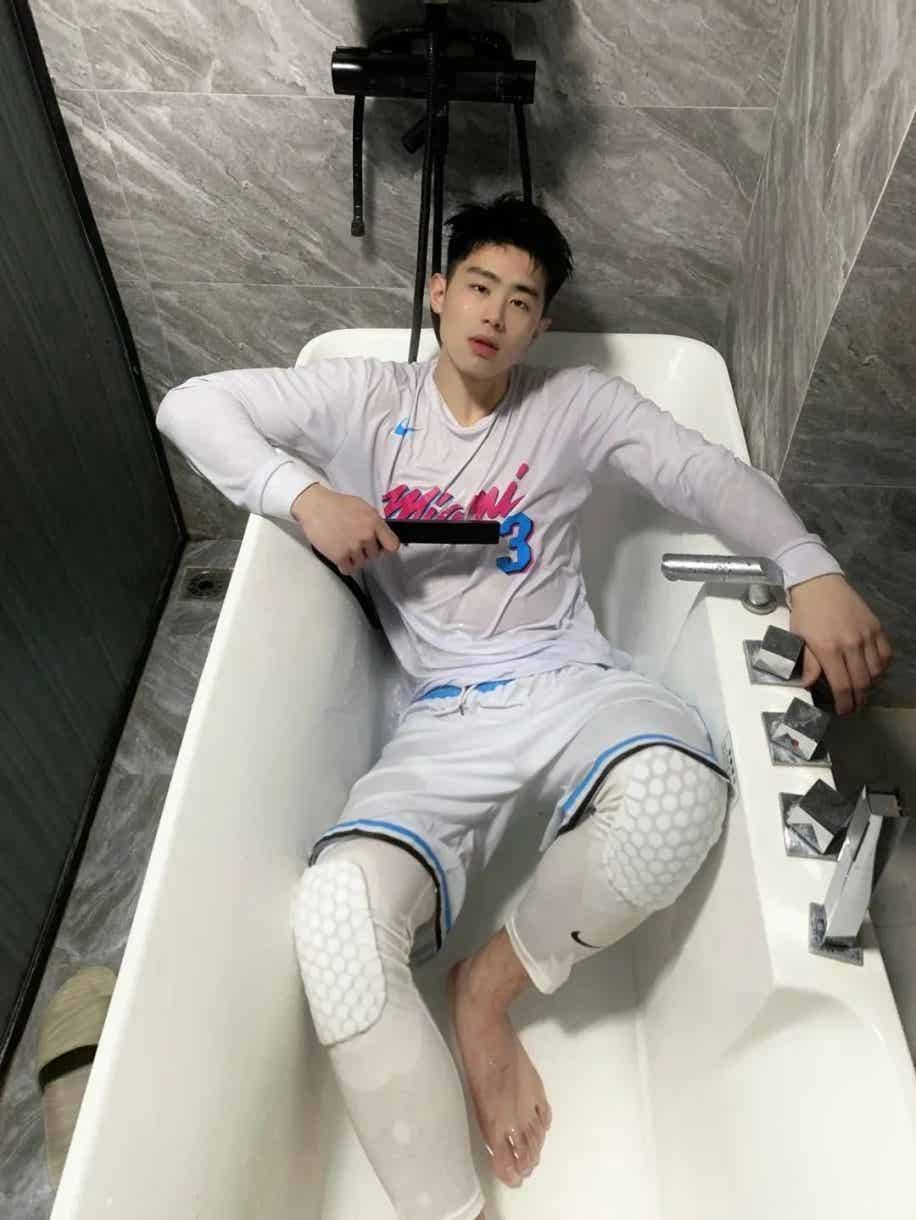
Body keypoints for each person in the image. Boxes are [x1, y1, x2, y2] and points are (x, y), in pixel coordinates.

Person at [156, 193, 893, 1220]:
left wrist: (807, 566)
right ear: (438, 291)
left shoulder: (574, 406)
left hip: (564, 675)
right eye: (478, 286)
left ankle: (486, 991)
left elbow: (699, 472)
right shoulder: (362, 396)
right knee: (334, 913)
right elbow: (189, 405)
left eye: (520, 300)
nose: (494, 314)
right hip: (442, 708)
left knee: (679, 794)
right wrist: (304, 496)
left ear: (541, 323)